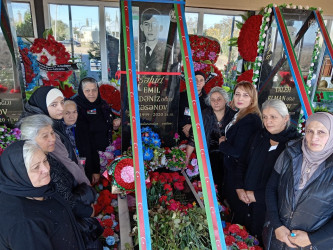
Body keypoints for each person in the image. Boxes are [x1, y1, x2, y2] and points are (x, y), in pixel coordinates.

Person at [20, 114, 103, 249]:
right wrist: (88, 211)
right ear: (30, 140)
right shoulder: (38, 167)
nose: (52, 138)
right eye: (45, 136)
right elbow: (63, 199)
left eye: (52, 133)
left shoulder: (48, 155)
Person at [263, 112, 333, 249]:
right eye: (309, 131)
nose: (314, 137)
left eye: (321, 132)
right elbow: (271, 189)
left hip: (315, 245)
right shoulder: (290, 153)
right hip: (278, 239)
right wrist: (277, 226)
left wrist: (312, 239)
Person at [233, 99, 300, 243]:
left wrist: (257, 196)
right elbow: (242, 163)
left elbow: (289, 185)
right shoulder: (259, 136)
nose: (268, 121)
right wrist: (239, 188)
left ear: (286, 118)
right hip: (245, 202)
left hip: (269, 212)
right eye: (265, 117)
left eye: (273, 117)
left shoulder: (294, 145)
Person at [0, 140, 85, 249]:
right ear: (16, 174)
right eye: (36, 167)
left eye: (45, 161)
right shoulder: (23, 222)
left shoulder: (39, 188)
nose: (46, 169)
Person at [18, 86, 90, 185]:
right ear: (43, 105)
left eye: (62, 102)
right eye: (54, 105)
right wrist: (86, 184)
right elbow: (66, 162)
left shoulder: (53, 122)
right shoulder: (44, 129)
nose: (61, 108)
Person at [218, 81, 262, 222]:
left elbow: (237, 151)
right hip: (233, 170)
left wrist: (222, 144)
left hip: (239, 174)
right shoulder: (241, 114)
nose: (240, 98)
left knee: (237, 211)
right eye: (237, 94)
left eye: (245, 95)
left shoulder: (250, 119)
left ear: (252, 99)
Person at [185, 87, 236, 194]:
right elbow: (193, 137)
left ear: (225, 100)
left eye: (219, 99)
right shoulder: (203, 115)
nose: (216, 102)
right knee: (206, 189)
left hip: (227, 158)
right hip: (207, 157)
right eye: (212, 100)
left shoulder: (233, 116)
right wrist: (187, 158)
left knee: (224, 189)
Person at [73, 77, 121, 184]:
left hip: (105, 156)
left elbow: (109, 123)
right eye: (87, 90)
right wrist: (94, 170)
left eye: (94, 90)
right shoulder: (77, 108)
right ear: (81, 91)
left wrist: (115, 125)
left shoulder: (102, 104)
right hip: (90, 161)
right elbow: (86, 143)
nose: (91, 93)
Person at [178, 71, 209, 141]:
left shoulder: (207, 101)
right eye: (195, 80)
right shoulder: (181, 96)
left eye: (201, 80)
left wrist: (192, 128)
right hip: (179, 133)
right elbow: (174, 113)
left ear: (204, 83)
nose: (198, 82)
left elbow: (208, 119)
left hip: (197, 137)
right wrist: (183, 127)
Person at [139, 8, 168, 72]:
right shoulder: (136, 49)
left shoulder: (167, 51)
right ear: (142, 27)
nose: (150, 29)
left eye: (154, 24)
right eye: (146, 24)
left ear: (160, 27)